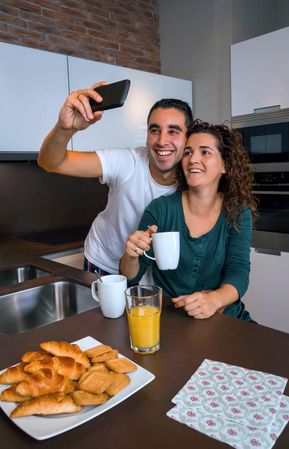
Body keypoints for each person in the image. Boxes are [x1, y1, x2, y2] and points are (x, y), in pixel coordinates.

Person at [37, 82, 193, 275]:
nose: (161, 141)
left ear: (188, 138)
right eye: (154, 130)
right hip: (104, 264)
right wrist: (65, 128)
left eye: (173, 131)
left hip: (151, 273)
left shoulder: (194, 178)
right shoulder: (127, 162)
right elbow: (50, 162)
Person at [120, 119, 258, 321]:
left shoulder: (238, 213)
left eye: (205, 152)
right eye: (188, 152)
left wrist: (214, 300)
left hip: (225, 317)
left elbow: (238, 273)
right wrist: (131, 255)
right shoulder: (160, 209)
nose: (193, 159)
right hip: (172, 319)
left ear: (225, 166)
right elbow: (131, 276)